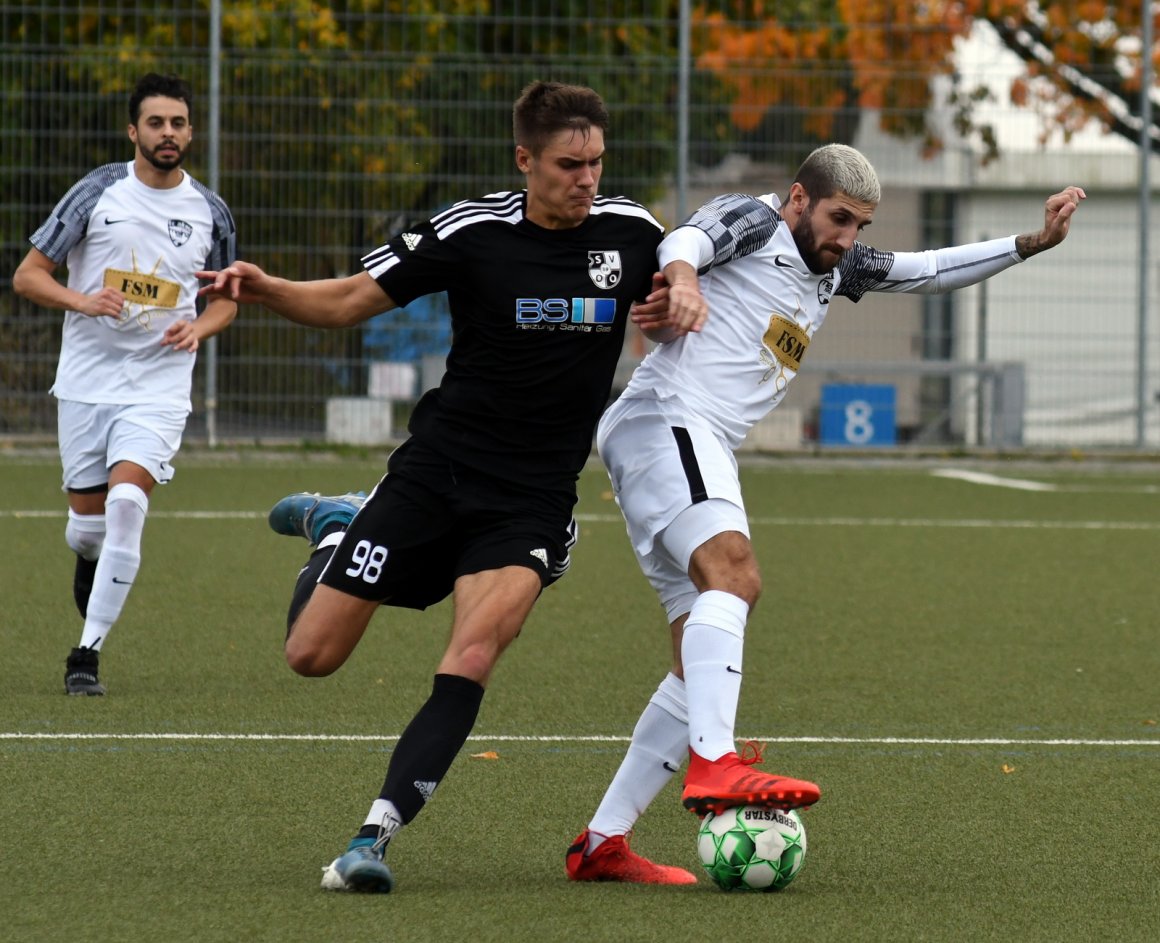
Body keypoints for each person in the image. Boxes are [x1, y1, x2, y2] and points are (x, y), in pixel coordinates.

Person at [197, 80, 675, 892]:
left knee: (475, 653)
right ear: (525, 160)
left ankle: (370, 839)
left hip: (530, 500)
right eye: (568, 165)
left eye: (597, 162)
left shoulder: (634, 234)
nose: (587, 179)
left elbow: (692, 278)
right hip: (436, 472)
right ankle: (336, 529)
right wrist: (268, 288)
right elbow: (352, 300)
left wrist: (677, 300)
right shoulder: (471, 230)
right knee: (310, 656)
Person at [565, 144, 1085, 884]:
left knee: (696, 658)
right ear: (801, 199)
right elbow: (687, 239)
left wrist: (1030, 243)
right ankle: (713, 764)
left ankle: (601, 842)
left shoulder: (836, 268)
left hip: (697, 442)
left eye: (860, 223)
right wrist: (681, 282)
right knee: (736, 578)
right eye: (839, 216)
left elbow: (929, 270)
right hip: (668, 421)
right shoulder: (757, 221)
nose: (847, 235)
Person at [12, 72, 238, 696]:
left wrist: (201, 329)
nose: (169, 134)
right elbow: (28, 276)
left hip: (159, 388)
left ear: (192, 131)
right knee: (87, 529)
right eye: (157, 123)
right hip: (86, 386)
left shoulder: (210, 211)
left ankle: (85, 654)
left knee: (126, 508)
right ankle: (88, 557)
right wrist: (81, 302)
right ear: (133, 130)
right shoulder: (96, 193)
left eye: (179, 123)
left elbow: (225, 302)